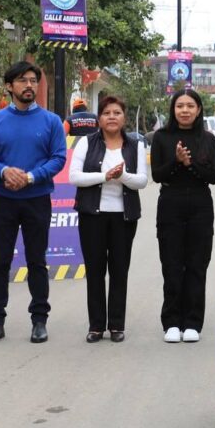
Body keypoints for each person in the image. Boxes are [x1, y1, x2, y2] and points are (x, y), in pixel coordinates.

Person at [0, 61, 67, 344]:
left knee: (37, 262)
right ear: (9, 86)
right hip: (2, 200)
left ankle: (39, 320)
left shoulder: (51, 121)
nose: (29, 85)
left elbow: (58, 158)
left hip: (37, 199)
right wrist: (4, 171)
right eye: (22, 80)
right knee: (0, 262)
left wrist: (29, 177)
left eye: (33, 80)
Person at [69, 95, 148, 343]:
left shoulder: (135, 145)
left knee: (119, 270)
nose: (111, 117)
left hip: (124, 217)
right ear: (99, 119)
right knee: (94, 270)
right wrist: (105, 176)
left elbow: (142, 181)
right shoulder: (85, 143)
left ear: (124, 117)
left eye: (116, 112)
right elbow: (75, 177)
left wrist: (122, 176)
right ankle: (95, 326)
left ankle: (116, 325)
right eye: (106, 113)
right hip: (92, 215)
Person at [150, 89, 215, 343]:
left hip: (200, 204)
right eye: (180, 106)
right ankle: (171, 322)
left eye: (190, 106)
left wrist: (191, 164)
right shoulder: (161, 137)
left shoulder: (208, 139)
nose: (185, 110)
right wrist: (177, 162)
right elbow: (157, 175)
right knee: (171, 264)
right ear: (173, 109)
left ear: (199, 110)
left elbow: (213, 177)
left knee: (196, 264)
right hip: (170, 202)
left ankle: (192, 322)